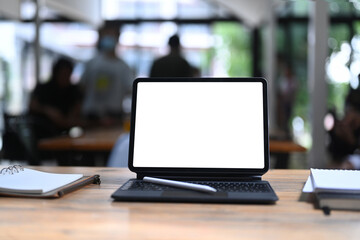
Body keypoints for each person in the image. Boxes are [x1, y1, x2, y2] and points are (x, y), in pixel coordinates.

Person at [81, 24, 134, 126]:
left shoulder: (124, 67)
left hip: (114, 114)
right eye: (106, 34)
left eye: (111, 34)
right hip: (92, 115)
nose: (108, 37)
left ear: (117, 38)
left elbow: (130, 89)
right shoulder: (91, 63)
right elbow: (82, 86)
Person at [29, 57, 83, 138]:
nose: (65, 78)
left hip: (66, 134)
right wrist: (47, 110)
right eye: (63, 74)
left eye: (68, 74)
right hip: (42, 133)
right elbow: (32, 105)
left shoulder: (73, 90)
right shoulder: (43, 88)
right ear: (56, 73)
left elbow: (74, 115)